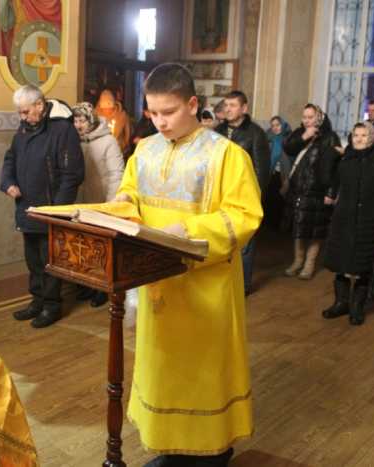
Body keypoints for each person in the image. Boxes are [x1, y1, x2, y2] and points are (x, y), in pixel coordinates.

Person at [113, 62, 262, 466]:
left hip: (205, 288)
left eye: (169, 111)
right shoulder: (144, 150)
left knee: (204, 374)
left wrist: (190, 230)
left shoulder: (226, 155)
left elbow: (245, 216)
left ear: (193, 104)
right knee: (163, 370)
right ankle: (171, 450)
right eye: (153, 112)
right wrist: (124, 203)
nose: (159, 122)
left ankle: (213, 453)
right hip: (157, 283)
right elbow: (130, 190)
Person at [0, 85, 83, 329]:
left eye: (25, 112)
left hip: (50, 210)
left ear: (39, 105)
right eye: (19, 112)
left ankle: (52, 306)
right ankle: (37, 301)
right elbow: (10, 158)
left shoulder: (63, 129)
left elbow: (73, 174)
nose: (22, 117)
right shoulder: (24, 127)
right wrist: (8, 182)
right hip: (26, 207)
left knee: (50, 261)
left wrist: (56, 211)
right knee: (33, 260)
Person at [323, 122, 374, 325]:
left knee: (363, 267)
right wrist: (332, 154)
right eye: (356, 135)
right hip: (343, 221)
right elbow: (327, 178)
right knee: (341, 265)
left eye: (364, 135)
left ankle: (357, 307)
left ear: (371, 138)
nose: (359, 139)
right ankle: (341, 303)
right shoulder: (346, 159)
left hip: (368, 222)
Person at [215, 90, 270, 295]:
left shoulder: (256, 134)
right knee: (221, 239)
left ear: (244, 108)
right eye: (226, 105)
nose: (228, 109)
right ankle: (224, 283)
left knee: (245, 244)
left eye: (233, 105)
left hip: (243, 195)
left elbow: (262, 171)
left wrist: (255, 198)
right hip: (219, 194)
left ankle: (243, 286)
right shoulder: (217, 131)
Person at [72, 101, 125, 308]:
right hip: (81, 202)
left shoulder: (108, 141)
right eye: (75, 120)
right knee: (83, 245)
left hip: (101, 201)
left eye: (82, 120)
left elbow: (116, 174)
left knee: (100, 248)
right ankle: (87, 284)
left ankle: (101, 288)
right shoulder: (75, 141)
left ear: (91, 120)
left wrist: (111, 204)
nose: (78, 125)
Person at [281, 105, 340, 279]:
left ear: (319, 117)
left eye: (310, 117)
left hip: (318, 191)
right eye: (304, 117)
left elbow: (335, 168)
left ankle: (309, 264)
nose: (307, 120)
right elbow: (288, 148)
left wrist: (331, 192)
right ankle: (297, 261)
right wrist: (304, 136)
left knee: (316, 230)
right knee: (299, 227)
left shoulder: (330, 137)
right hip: (298, 190)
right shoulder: (300, 133)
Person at [263, 115, 291, 230]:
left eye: (278, 125)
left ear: (282, 125)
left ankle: (277, 225)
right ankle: (267, 224)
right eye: (273, 125)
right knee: (268, 198)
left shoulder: (288, 139)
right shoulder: (268, 138)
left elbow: (291, 158)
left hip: (283, 174)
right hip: (270, 173)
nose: (275, 128)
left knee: (280, 199)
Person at [95, 88, 131, 152]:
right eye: (104, 109)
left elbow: (127, 132)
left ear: (113, 106)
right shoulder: (96, 115)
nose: (107, 111)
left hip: (118, 149)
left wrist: (125, 144)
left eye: (109, 109)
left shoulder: (121, 115)